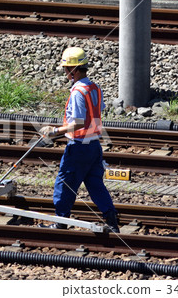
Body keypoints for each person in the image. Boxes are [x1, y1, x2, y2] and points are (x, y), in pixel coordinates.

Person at [39, 47, 119, 233]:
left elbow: (79, 122)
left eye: (66, 68)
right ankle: (111, 219)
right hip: (94, 146)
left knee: (64, 183)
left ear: (73, 70)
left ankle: (61, 221)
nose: (65, 72)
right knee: (95, 184)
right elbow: (97, 112)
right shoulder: (95, 88)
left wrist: (54, 131)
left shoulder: (77, 92)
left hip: (78, 147)